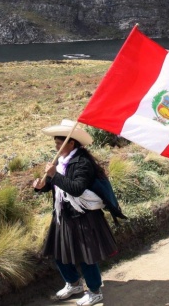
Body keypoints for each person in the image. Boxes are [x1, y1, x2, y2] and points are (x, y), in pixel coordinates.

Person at [33, 119, 118, 306]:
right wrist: (41, 186)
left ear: (71, 143)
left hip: (83, 217)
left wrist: (54, 175)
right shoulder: (61, 161)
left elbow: (76, 188)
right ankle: (73, 283)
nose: (56, 147)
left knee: (86, 256)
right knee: (59, 252)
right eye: (55, 143)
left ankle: (95, 291)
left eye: (59, 143)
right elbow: (55, 187)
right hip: (63, 214)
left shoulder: (83, 163)